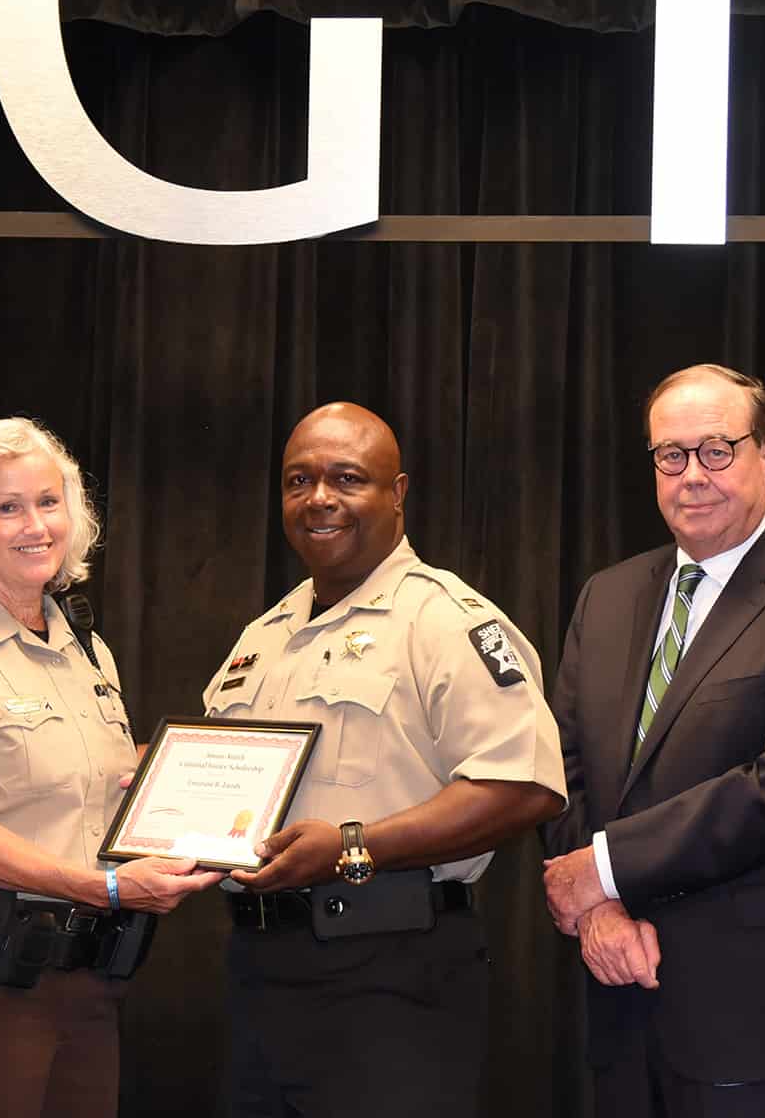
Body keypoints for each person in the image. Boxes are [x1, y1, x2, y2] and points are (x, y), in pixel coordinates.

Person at [540, 363, 765, 1116]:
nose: (691, 475)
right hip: (621, 999)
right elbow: (561, 764)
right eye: (671, 455)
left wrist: (601, 868)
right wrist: (602, 911)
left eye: (716, 450)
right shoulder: (608, 595)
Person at [201, 401, 566, 1118]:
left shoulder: (446, 620)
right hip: (261, 974)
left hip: (391, 972)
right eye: (298, 481)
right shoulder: (263, 634)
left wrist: (350, 848)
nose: (320, 500)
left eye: (347, 478)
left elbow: (523, 786)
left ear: (397, 493)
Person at [0, 416, 221, 1118]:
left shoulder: (87, 649)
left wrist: (163, 783)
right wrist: (105, 886)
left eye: (48, 501)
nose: (35, 524)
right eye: (7, 508)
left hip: (86, 988)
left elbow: (83, 797)